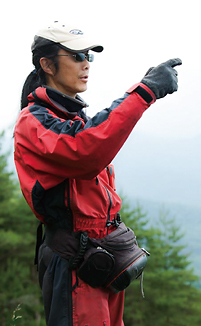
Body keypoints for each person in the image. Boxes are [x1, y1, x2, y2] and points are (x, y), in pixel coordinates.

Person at [14, 21, 181, 326]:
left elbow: (92, 140)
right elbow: (86, 151)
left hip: (101, 259)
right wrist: (145, 91)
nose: (86, 64)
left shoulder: (70, 117)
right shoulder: (33, 122)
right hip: (75, 263)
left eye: (89, 56)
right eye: (76, 56)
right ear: (47, 64)